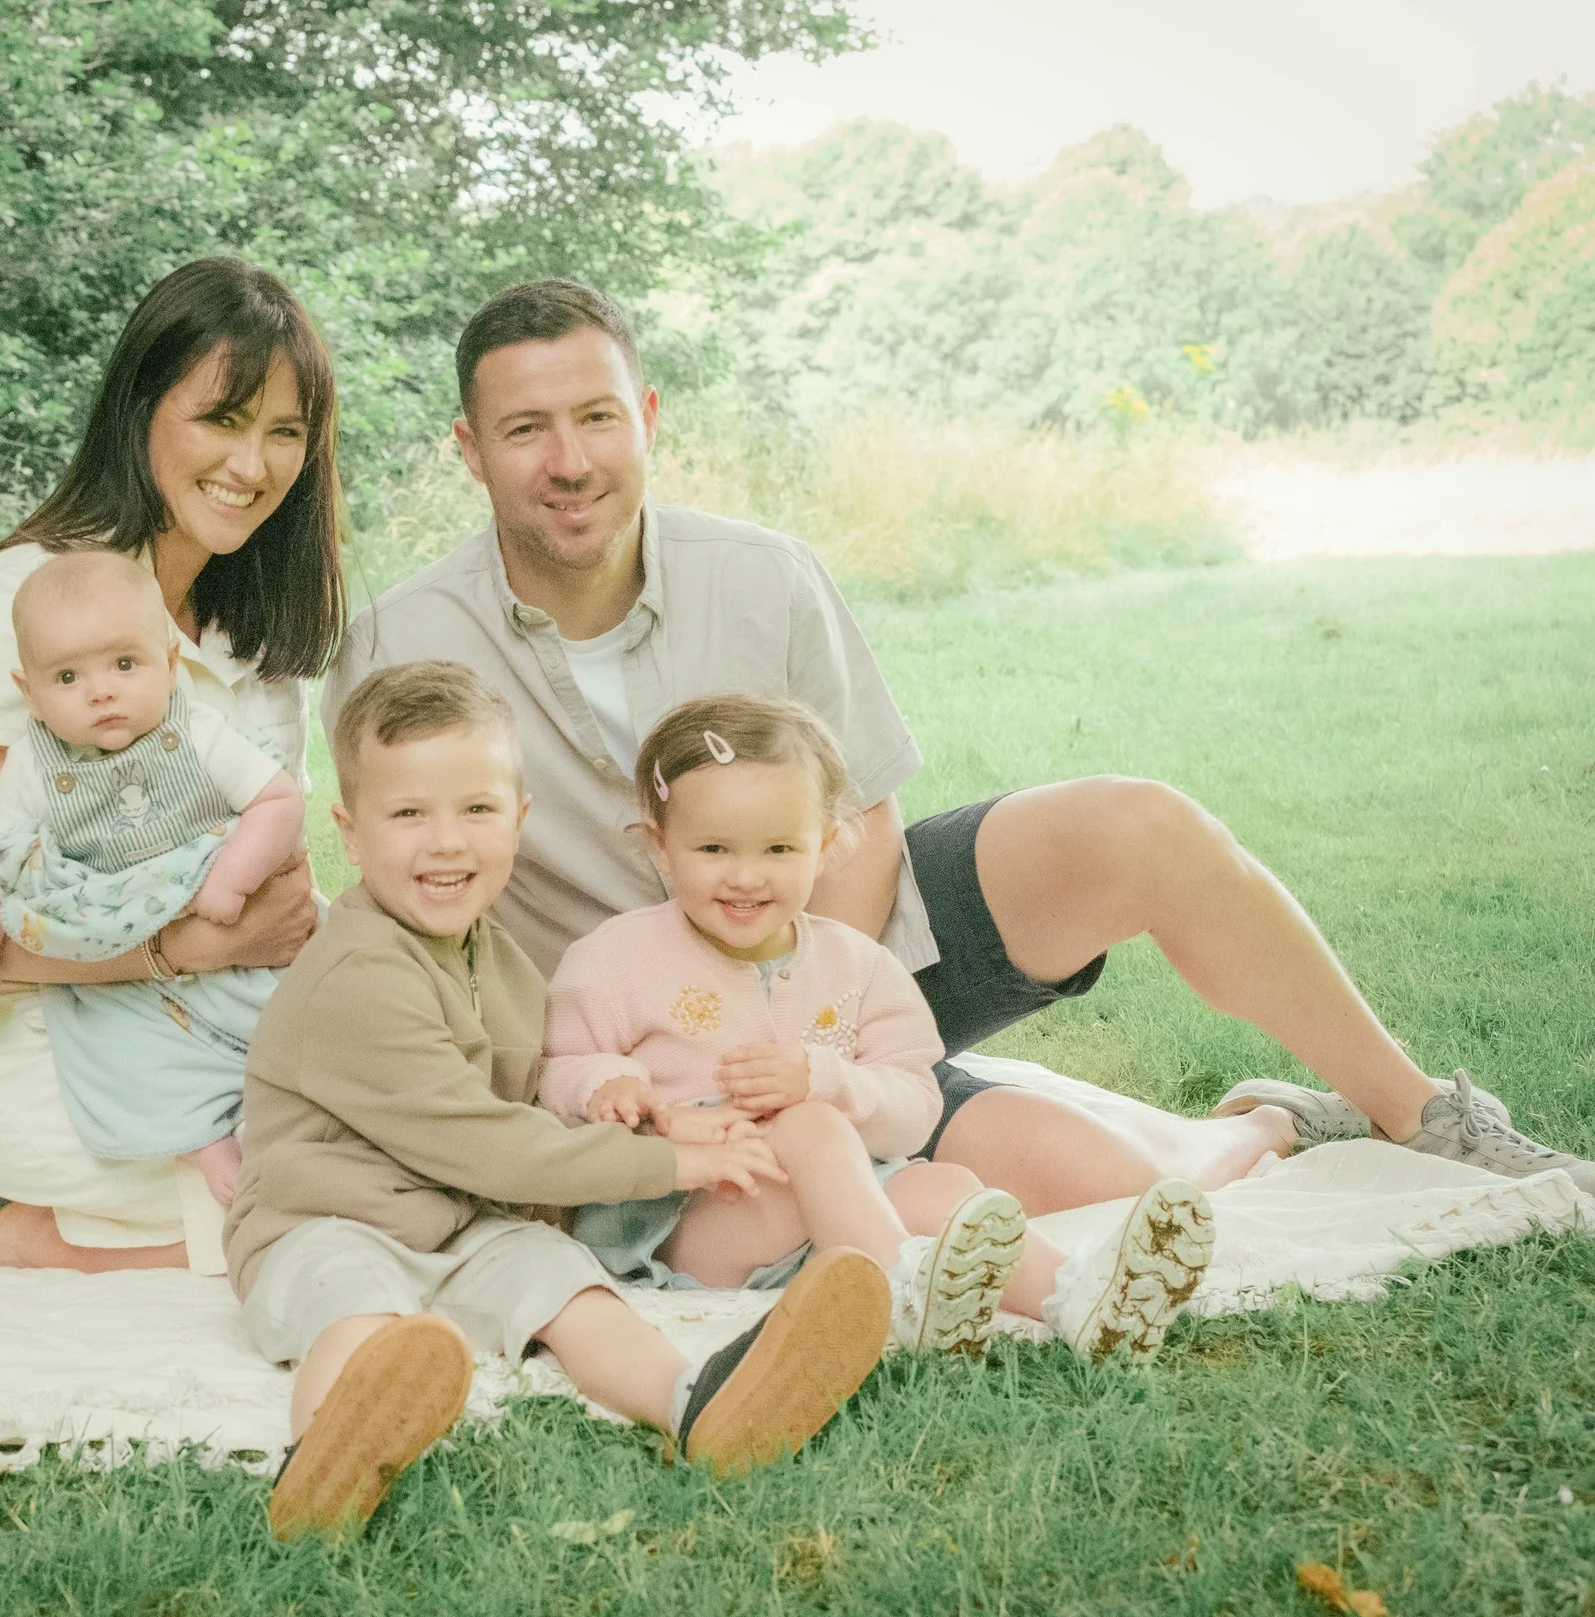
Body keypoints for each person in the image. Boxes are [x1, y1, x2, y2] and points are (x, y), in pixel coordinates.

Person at [327, 277, 1595, 1214]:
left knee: (1135, 821)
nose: (568, 461)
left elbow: (865, 814)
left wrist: (841, 1017)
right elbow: (402, 894)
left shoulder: (765, 576)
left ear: (647, 414)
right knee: (1079, 1182)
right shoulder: (397, 640)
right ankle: (1239, 1132)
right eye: (524, 429)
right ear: (467, 449)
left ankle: (1417, 1108)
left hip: (844, 950)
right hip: (646, 1034)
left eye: (596, 416)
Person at [226, 662, 890, 1540]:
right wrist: (672, 1160)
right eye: (408, 814)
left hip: (458, 1224)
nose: (447, 842)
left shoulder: (491, 956)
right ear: (349, 831)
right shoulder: (358, 972)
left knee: (568, 1284)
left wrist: (656, 1110)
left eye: (476, 809)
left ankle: (698, 1403)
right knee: (361, 1307)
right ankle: (323, 1458)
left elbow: (529, 1108)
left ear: (519, 820)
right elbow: (490, 1145)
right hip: (323, 1225)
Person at [0, 257, 340, 1269]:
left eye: (283, 432)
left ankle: (89, 1227)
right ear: (139, 411)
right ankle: (12, 1236)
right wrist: (182, 952)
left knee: (401, 1111)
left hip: (202, 1008)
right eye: (222, 418)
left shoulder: (248, 636)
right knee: (337, 1197)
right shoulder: (31, 600)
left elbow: (271, 873)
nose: (252, 465)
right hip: (29, 1020)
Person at [542, 692, 1216, 1363]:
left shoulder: (857, 966)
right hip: (693, 1215)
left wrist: (825, 1078)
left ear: (826, 845)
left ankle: (1074, 1299)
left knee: (944, 1186)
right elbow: (557, 1070)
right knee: (811, 1126)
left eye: (779, 848)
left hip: (835, 1207)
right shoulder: (617, 959)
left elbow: (915, 1109)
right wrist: (612, 1084)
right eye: (714, 847)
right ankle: (898, 1295)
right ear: (660, 844)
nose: (745, 876)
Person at [0, 550, 306, 1206]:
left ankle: (300, 1117)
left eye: (125, 664)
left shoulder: (197, 731)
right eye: (69, 675)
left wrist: (231, 880)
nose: (100, 690)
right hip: (115, 943)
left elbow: (278, 801)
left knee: (300, 1014)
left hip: (217, 907)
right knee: (121, 1051)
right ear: (31, 692)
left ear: (169, 663)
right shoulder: (34, 764)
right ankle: (199, 1135)